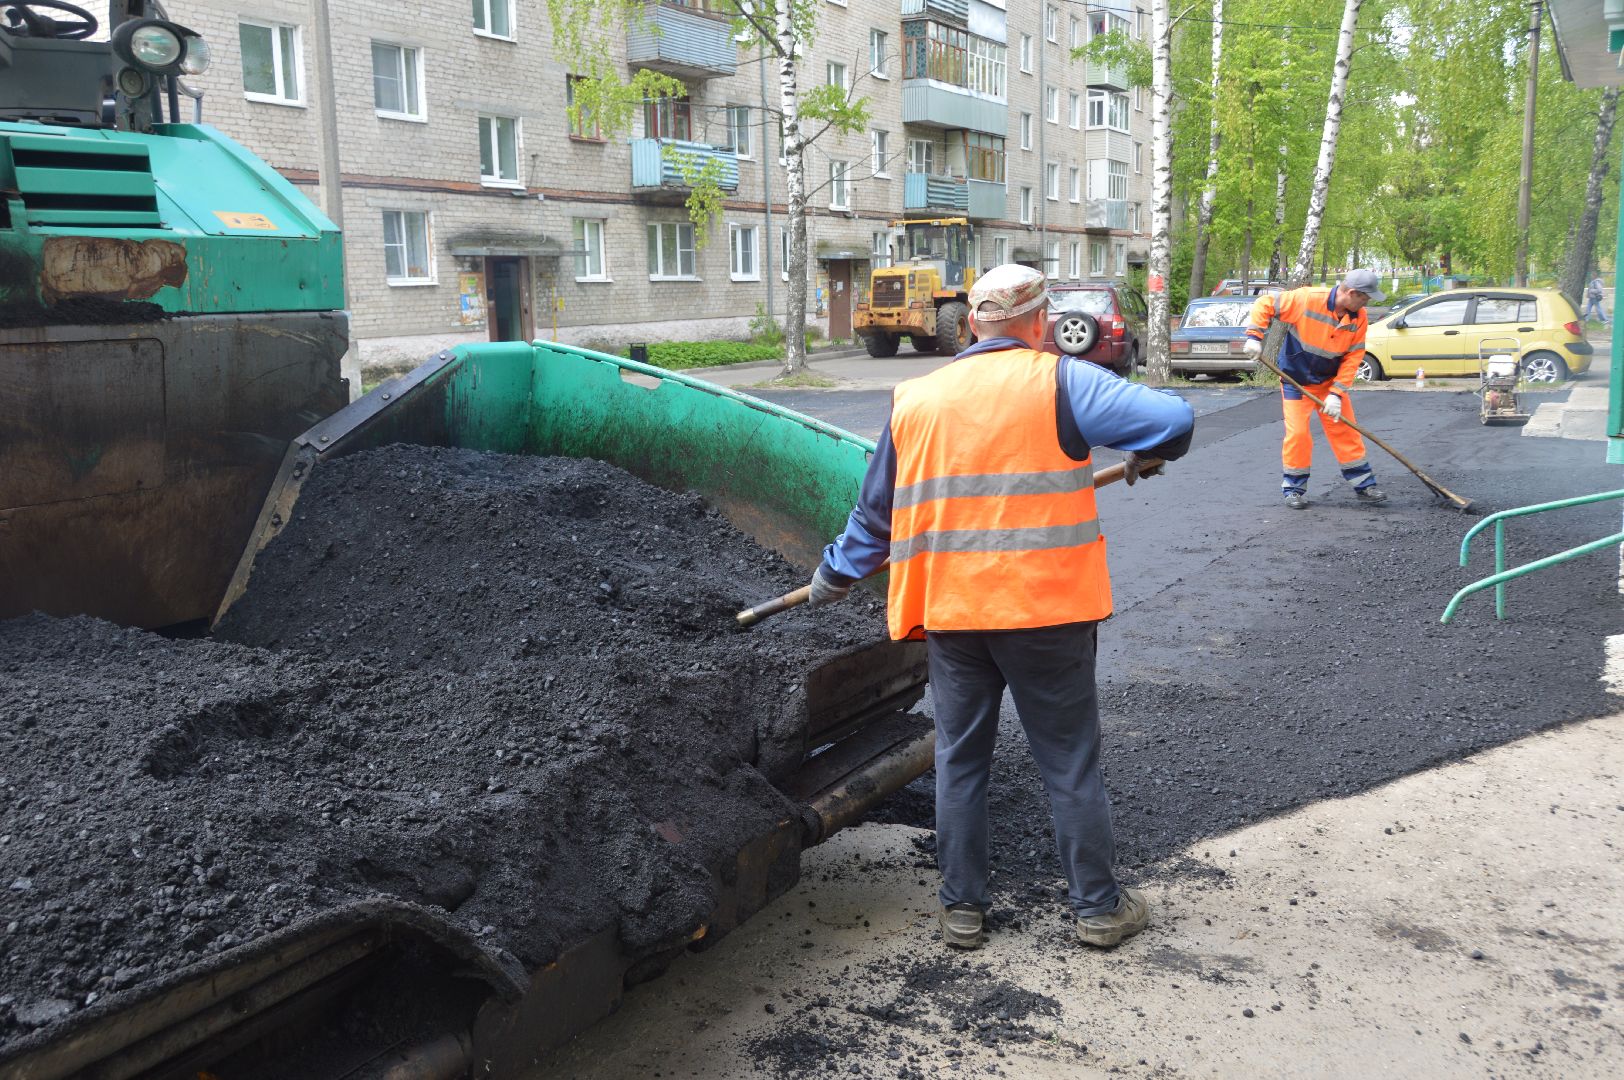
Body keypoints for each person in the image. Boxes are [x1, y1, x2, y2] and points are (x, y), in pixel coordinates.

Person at [805, 264, 1195, 951]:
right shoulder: (1060, 380)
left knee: (960, 759)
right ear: (1040, 321)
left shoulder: (916, 399)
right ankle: (1098, 909)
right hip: (1047, 613)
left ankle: (962, 911)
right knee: (1069, 760)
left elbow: (874, 522)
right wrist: (1146, 452)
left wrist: (833, 575)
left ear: (974, 322)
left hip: (955, 615)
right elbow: (1175, 419)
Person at [1243, 269, 1386, 510]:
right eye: (1365, 297)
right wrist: (1254, 336)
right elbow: (1265, 303)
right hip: (1295, 382)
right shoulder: (1307, 299)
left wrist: (1336, 393)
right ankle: (1293, 489)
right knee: (1298, 435)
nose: (1367, 302)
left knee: (1346, 431)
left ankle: (1365, 485)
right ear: (1351, 293)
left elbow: (1354, 357)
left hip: (1329, 383)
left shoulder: (1358, 318)